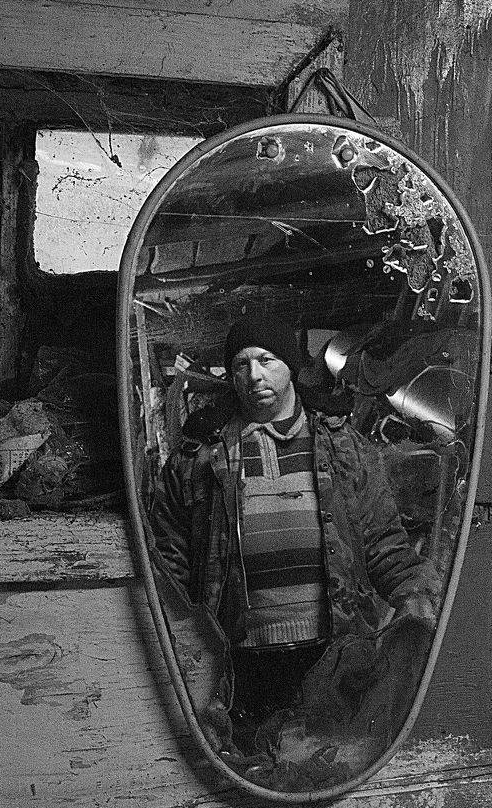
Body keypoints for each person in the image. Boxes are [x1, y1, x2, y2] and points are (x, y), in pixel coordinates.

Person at [149, 316, 440, 746]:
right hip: (235, 667)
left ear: (290, 366)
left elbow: (384, 545)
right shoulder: (197, 459)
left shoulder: (344, 449)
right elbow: (168, 562)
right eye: (242, 364)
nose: (254, 375)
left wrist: (416, 598)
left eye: (267, 360)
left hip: (333, 660)